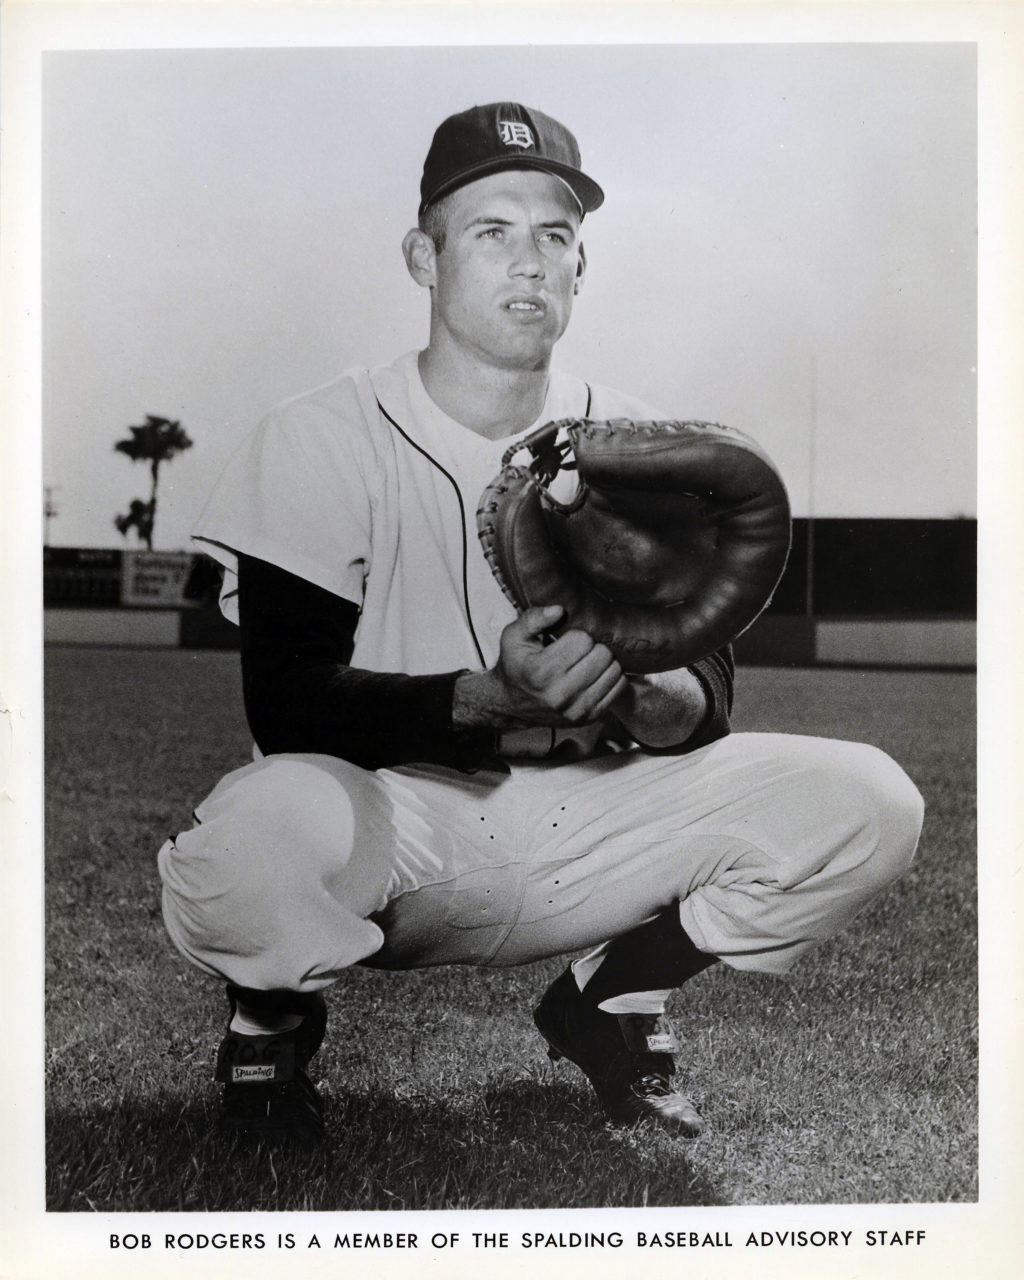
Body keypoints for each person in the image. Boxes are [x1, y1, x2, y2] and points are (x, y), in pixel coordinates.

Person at [158, 102, 924, 1146]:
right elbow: (285, 699)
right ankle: (273, 1022)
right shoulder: (318, 436)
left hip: (595, 823)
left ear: (581, 268)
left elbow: (709, 704)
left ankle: (607, 1000)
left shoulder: (638, 439)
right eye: (492, 231)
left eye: (554, 236)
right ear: (422, 257)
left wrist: (643, 685)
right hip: (396, 827)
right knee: (247, 839)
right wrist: (489, 695)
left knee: (867, 799)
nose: (530, 262)